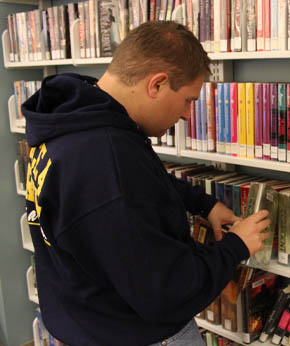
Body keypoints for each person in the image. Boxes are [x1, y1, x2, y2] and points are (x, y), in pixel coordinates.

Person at [22, 21, 270, 346]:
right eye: (187, 100)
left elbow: (136, 186)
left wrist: (202, 202)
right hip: (134, 334)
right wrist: (235, 246)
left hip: (81, 319)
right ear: (157, 84)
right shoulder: (107, 157)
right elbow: (167, 292)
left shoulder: (76, 124)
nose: (185, 115)